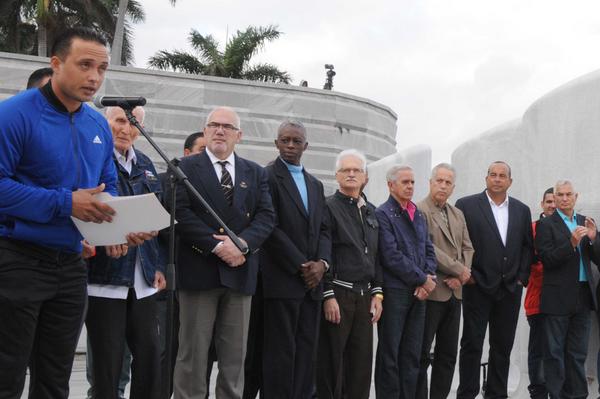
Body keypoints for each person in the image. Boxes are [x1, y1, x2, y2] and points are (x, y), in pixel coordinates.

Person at [0, 27, 153, 399]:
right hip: (16, 259)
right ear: (55, 64)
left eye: (101, 68)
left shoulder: (95, 123)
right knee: (6, 373)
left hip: (71, 266)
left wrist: (120, 226)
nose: (94, 77)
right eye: (85, 65)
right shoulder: (13, 114)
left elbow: (106, 188)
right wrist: (66, 202)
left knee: (55, 378)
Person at [173, 106, 275, 399]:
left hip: (240, 272)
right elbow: (179, 211)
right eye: (214, 125)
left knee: (234, 358)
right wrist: (217, 245)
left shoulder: (255, 173)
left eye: (227, 127)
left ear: (238, 135)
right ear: (205, 131)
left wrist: (242, 245)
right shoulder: (184, 168)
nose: (220, 130)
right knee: (192, 356)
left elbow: (266, 217)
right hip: (199, 272)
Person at [85, 105, 166, 399]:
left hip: (142, 278)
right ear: (106, 123)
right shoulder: (95, 158)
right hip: (105, 278)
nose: (126, 128)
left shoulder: (144, 162)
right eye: (120, 120)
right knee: (107, 365)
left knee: (150, 356)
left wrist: (156, 265)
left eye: (133, 123)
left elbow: (154, 212)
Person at [260, 120, 331, 399]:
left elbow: (324, 229)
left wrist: (321, 264)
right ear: (276, 143)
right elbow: (270, 225)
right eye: (285, 140)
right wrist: (302, 264)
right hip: (282, 280)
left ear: (306, 146)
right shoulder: (266, 176)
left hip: (312, 284)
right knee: (280, 354)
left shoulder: (315, 184)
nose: (290, 146)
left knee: (306, 351)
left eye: (296, 141)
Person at [455, 161, 534, 399]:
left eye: (502, 176)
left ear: (510, 181)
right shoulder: (466, 205)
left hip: (510, 289)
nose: (497, 179)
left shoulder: (521, 209)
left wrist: (521, 278)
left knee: (502, 346)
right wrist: (467, 276)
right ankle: (467, 393)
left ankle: (497, 393)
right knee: (472, 344)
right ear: (486, 178)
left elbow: (527, 247)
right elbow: (458, 243)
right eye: (493, 175)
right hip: (477, 286)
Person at [316, 149, 382, 399]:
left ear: (365, 176)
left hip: (365, 297)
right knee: (332, 363)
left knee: (361, 365)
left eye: (357, 170)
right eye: (346, 170)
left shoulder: (371, 211)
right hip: (339, 294)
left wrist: (378, 293)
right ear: (337, 175)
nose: (351, 174)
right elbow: (322, 251)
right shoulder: (327, 207)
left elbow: (377, 256)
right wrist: (328, 294)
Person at [374, 165, 437, 398]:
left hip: (419, 293)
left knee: (412, 354)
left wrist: (428, 278)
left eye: (412, 182)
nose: (410, 186)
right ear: (391, 185)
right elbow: (390, 256)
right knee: (390, 354)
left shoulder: (417, 213)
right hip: (396, 292)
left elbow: (429, 249)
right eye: (405, 182)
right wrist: (422, 278)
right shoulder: (383, 214)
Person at [535, 180, 600, 398]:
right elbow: (547, 259)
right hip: (557, 298)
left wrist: (593, 238)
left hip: (583, 295)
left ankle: (579, 395)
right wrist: (571, 244)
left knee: (577, 353)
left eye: (568, 194)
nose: (564, 198)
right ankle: (557, 395)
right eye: (560, 195)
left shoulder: (584, 221)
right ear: (555, 197)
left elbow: (598, 259)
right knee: (554, 354)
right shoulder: (546, 224)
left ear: (576, 196)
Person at [416, 163, 474, 399]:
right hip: (432, 292)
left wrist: (462, 275)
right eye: (439, 180)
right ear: (430, 183)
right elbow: (427, 248)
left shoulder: (457, 213)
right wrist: (459, 269)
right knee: (422, 353)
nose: (443, 185)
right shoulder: (419, 210)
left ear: (453, 187)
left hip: (455, 293)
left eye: (448, 182)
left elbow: (467, 247)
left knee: (448, 354)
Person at [524, 187, 555, 399]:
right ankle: (538, 391)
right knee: (539, 351)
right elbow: (528, 263)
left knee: (557, 350)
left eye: (556, 201)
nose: (553, 205)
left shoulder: (570, 228)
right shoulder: (532, 229)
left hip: (562, 302)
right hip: (538, 301)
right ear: (542, 204)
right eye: (549, 201)